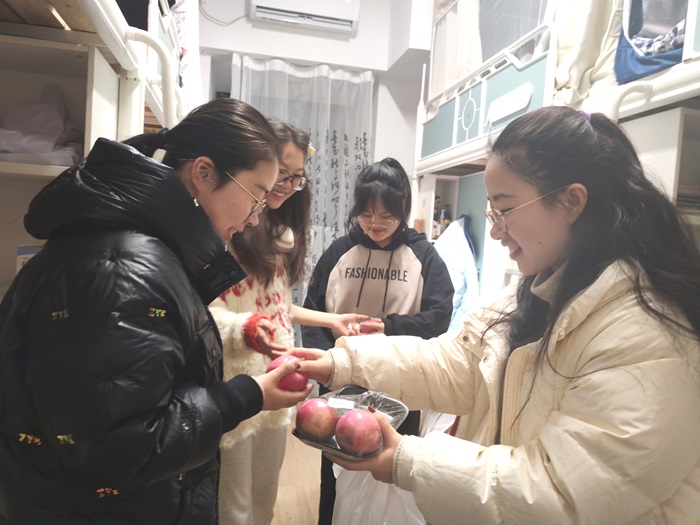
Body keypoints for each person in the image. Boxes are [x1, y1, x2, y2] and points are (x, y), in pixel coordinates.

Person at [295, 106, 700, 525]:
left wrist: (408, 460)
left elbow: (561, 494)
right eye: (492, 211)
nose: (494, 230)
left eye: (504, 209)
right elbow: (456, 363)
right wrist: (340, 362)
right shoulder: (538, 289)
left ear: (572, 201)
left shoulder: (645, 334)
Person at [0, 98, 312, 525]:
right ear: (203, 173)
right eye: (256, 196)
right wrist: (247, 395)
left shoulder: (133, 248)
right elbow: (123, 448)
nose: (255, 219)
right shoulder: (125, 269)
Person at [209, 120, 367, 525]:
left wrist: (332, 319)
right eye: (281, 173)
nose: (285, 186)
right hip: (237, 382)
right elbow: (203, 314)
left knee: (264, 496)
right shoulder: (227, 229)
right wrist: (246, 329)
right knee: (233, 504)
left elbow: (278, 307)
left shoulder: (279, 232)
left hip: (278, 379)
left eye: (296, 177)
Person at [301, 157, 454, 525]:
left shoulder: (424, 256)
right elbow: (312, 311)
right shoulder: (339, 252)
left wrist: (388, 327)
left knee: (393, 478)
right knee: (335, 470)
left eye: (387, 216)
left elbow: (439, 317)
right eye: (367, 214)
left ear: (404, 211)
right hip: (340, 385)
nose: (375, 224)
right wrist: (324, 366)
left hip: (402, 386)